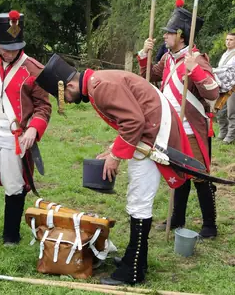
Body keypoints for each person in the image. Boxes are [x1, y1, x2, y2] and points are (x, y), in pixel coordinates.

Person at [35, 53, 195, 285]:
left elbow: (133, 122)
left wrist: (116, 157)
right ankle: (135, 259)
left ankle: (134, 271)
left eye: (65, 96)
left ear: (68, 85)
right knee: (137, 201)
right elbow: (128, 118)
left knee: (138, 202)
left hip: (153, 136)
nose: (68, 101)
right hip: (149, 131)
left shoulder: (100, 87)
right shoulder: (97, 83)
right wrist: (113, 149)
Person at [137, 5, 219, 238]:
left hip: (192, 129)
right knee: (179, 173)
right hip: (172, 127)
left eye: (170, 32)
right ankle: (177, 219)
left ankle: (210, 225)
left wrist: (195, 71)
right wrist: (145, 55)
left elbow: (213, 92)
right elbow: (150, 75)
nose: (165, 35)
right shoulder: (167, 58)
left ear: (181, 35)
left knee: (200, 177)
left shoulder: (197, 60)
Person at [0, 10, 51, 246]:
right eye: (6, 48)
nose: (10, 52)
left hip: (13, 135)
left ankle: (11, 235)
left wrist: (32, 130)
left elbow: (43, 108)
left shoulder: (34, 69)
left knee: (14, 186)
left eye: (15, 47)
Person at [215, 32, 235, 144]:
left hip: (233, 87)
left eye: (231, 40)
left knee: (232, 112)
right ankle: (223, 132)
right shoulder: (225, 54)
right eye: (227, 39)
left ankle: (230, 136)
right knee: (220, 110)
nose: (228, 42)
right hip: (223, 85)